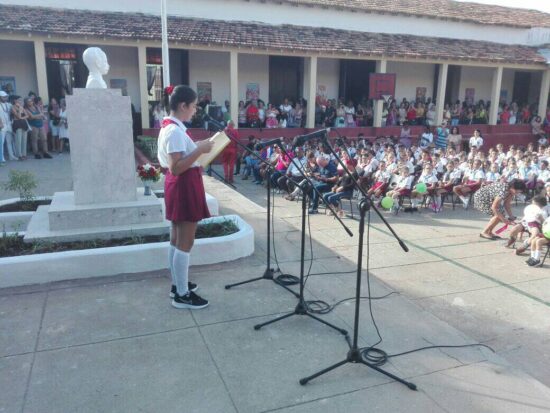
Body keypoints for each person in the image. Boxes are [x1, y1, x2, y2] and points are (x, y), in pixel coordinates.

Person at [157, 85, 214, 309]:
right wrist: (199, 149)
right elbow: (176, 167)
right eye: (193, 106)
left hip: (181, 185)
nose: (195, 110)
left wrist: (199, 150)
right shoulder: (173, 131)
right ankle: (182, 294)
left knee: (177, 238)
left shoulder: (171, 127)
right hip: (183, 184)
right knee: (185, 241)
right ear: (183, 106)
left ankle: (177, 285)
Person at [10, 96, 29, 161]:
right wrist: (20, 110)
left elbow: (27, 115)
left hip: (23, 123)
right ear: (15, 101)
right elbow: (18, 116)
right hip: (17, 124)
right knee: (18, 140)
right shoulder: (12, 107)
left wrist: (22, 117)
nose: (20, 101)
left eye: (21, 100)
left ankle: (24, 154)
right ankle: (19, 155)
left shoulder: (21, 107)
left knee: (24, 140)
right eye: (19, 100)